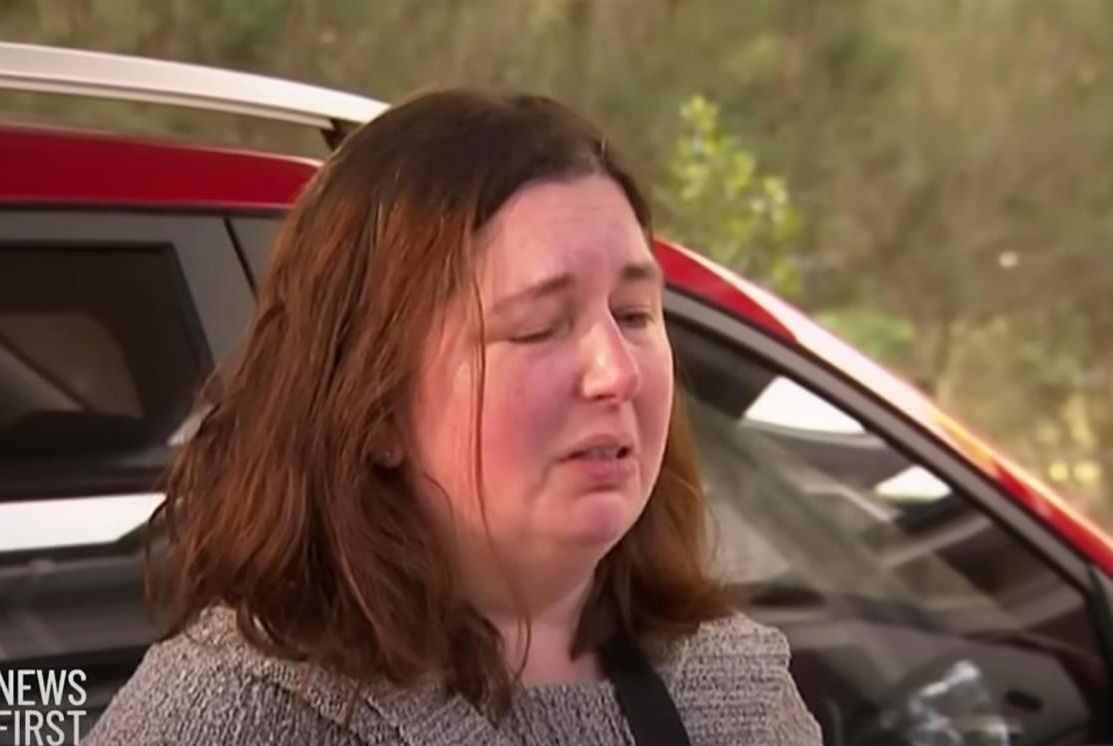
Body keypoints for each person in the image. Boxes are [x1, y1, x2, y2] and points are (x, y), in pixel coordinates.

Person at [86, 88, 822, 746]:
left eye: (634, 314)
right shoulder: (231, 716)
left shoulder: (733, 693)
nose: (617, 372)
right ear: (374, 408)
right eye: (539, 327)